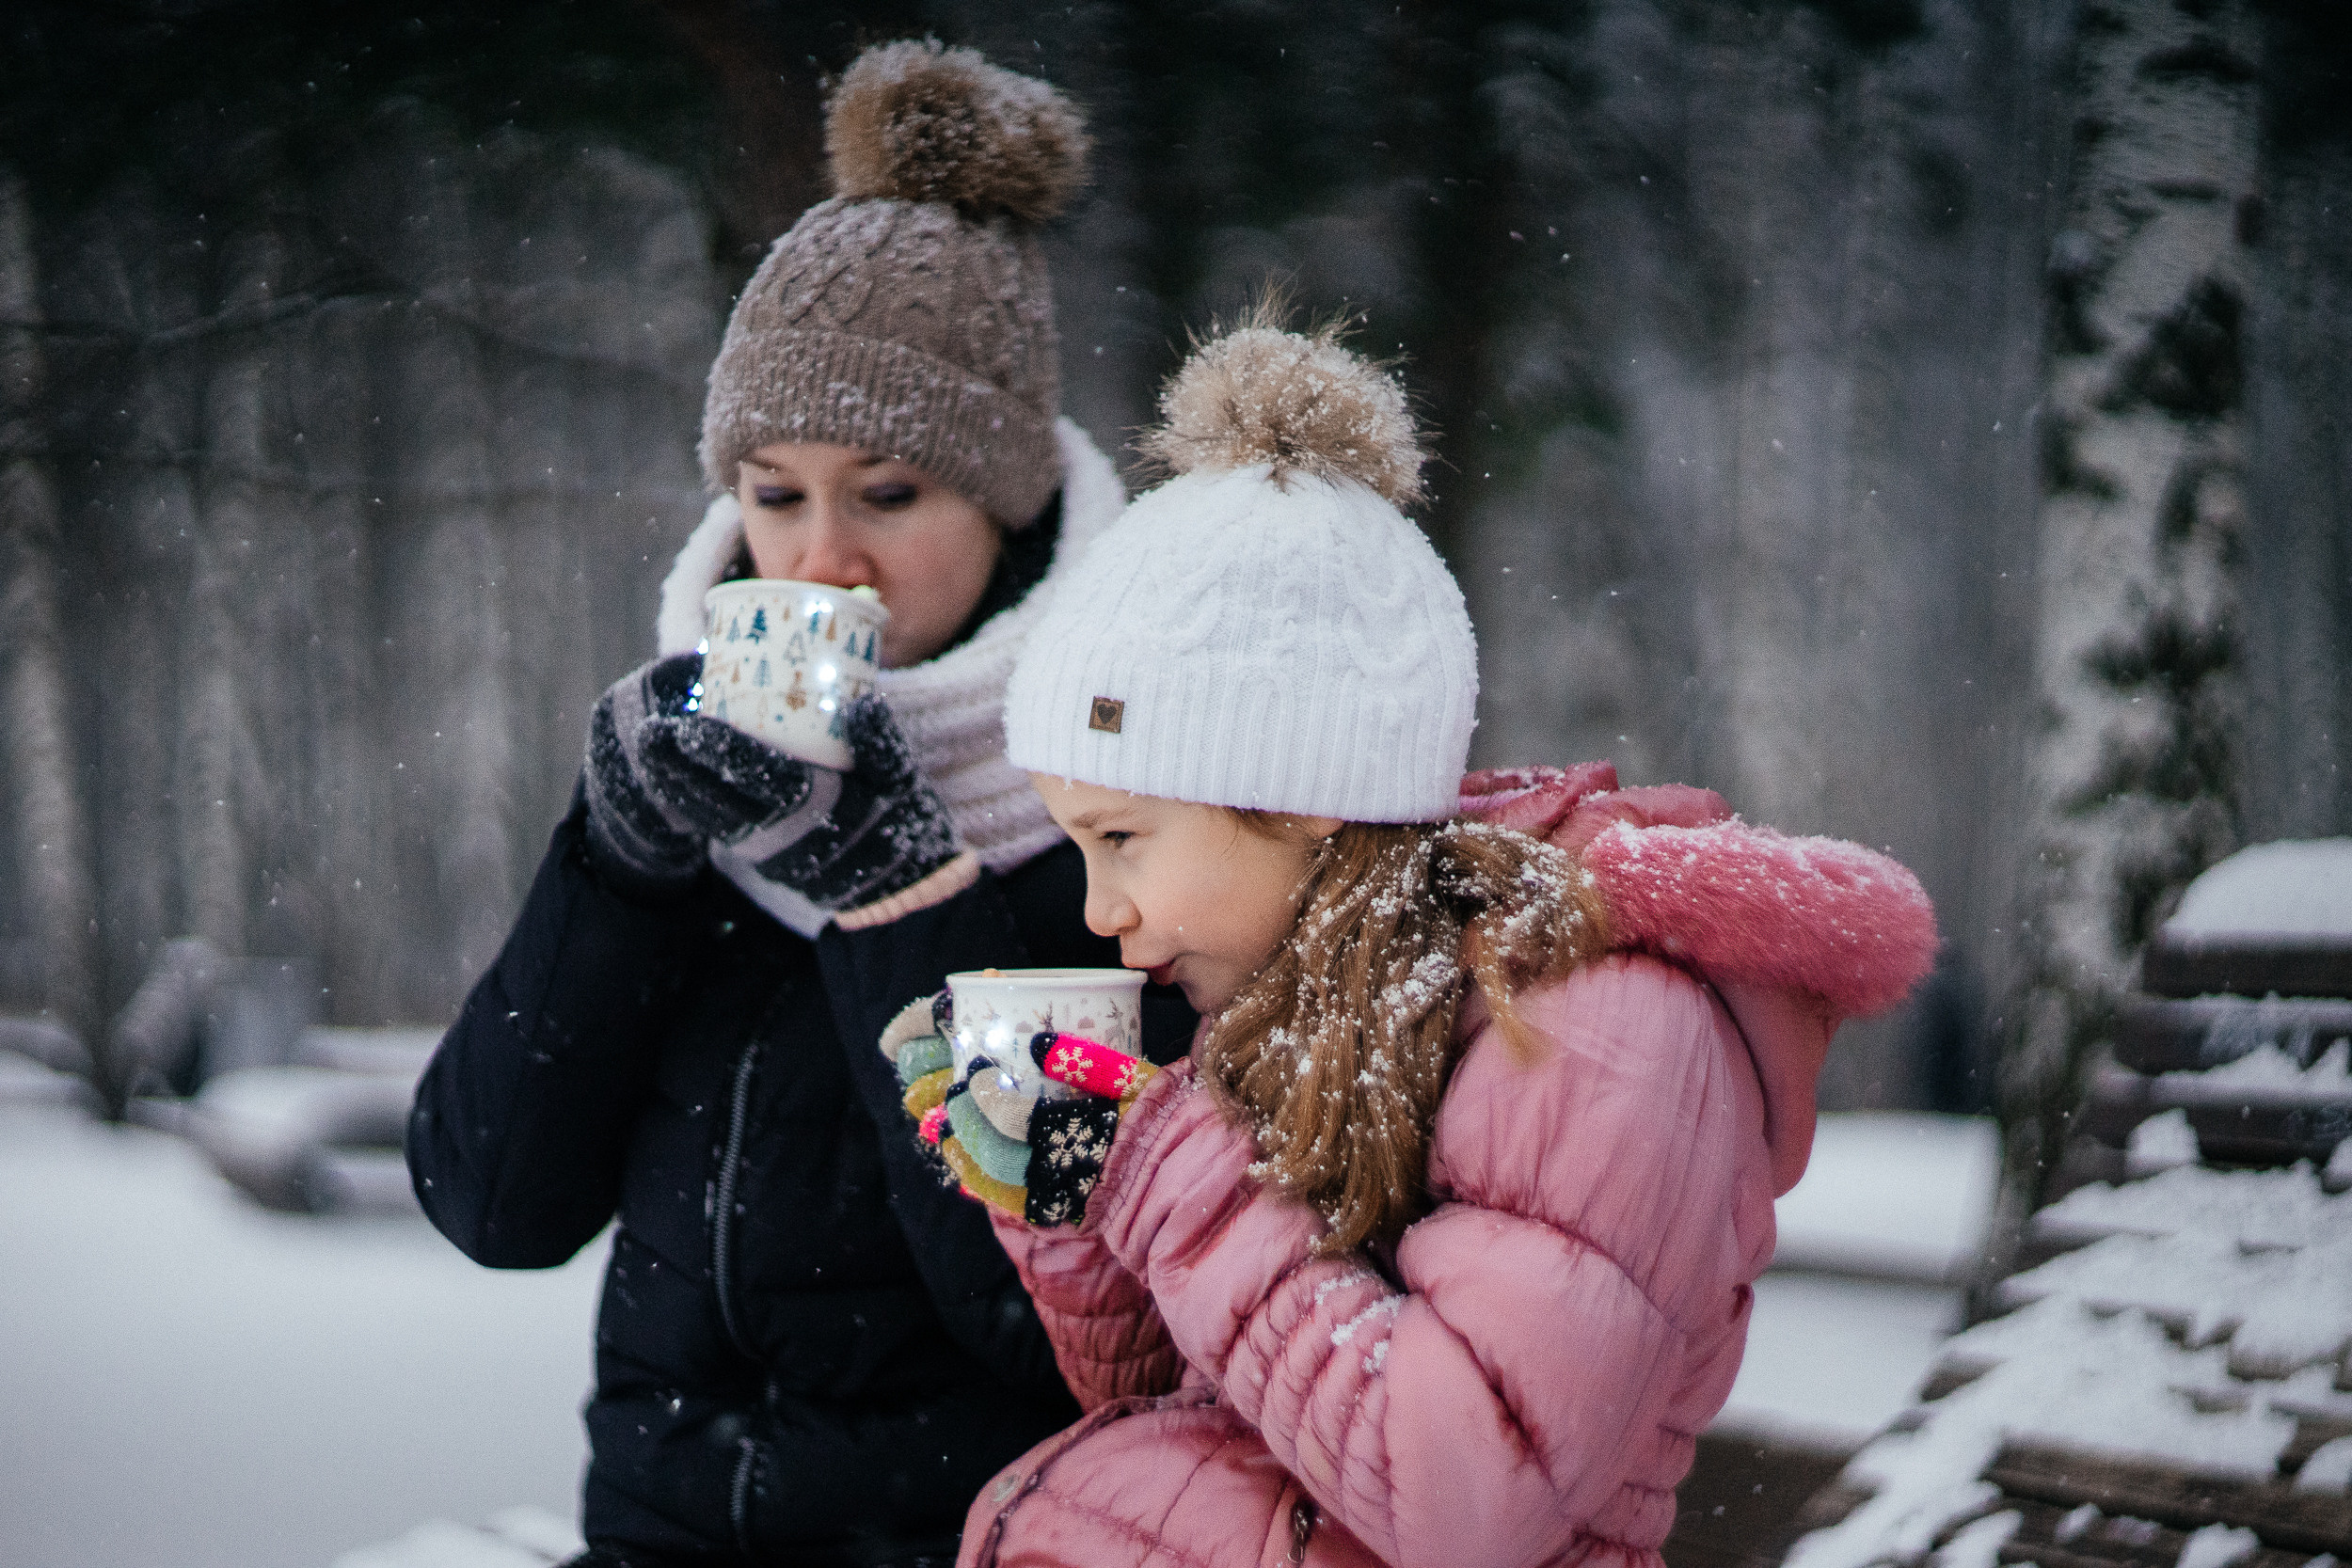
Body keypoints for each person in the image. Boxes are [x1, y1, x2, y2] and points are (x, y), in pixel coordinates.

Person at [874, 314, 1940, 1568]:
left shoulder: (1598, 1028)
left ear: (1298, 794)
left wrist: (1155, 1170)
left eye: (1124, 839)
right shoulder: (1313, 997)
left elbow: (1462, 1493)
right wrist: (1067, 1199)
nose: (1101, 914)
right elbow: (1208, 1404)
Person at [405, 41, 1192, 1568]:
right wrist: (617, 865)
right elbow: (493, 1205)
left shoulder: (1117, 816)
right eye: (773, 493)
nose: (819, 562)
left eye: (887, 495)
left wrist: (906, 903)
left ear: (1007, 501)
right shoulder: (704, 792)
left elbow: (1071, 1337)